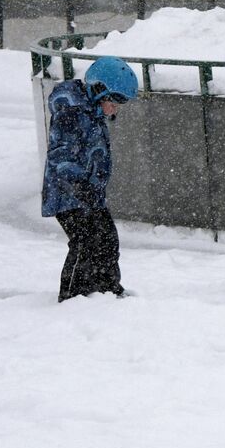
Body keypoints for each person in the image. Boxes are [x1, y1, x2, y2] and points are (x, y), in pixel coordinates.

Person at [42, 56, 139, 302]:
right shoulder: (71, 112)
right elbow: (60, 154)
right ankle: (73, 296)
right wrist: (78, 184)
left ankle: (107, 290)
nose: (116, 107)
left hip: (89, 193)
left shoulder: (92, 111)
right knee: (85, 241)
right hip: (68, 194)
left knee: (107, 238)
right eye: (115, 100)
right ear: (98, 90)